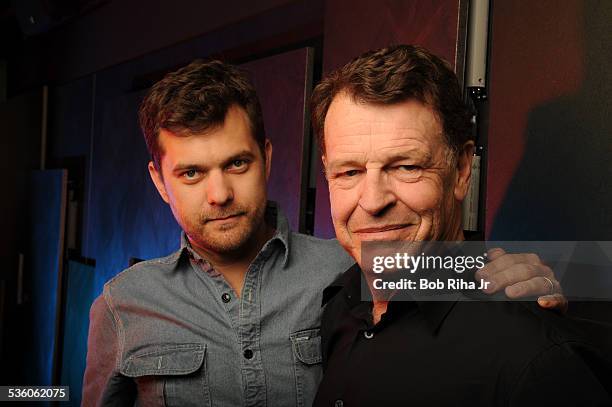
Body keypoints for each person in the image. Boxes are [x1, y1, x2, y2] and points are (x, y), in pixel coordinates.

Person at [82, 58, 567, 406]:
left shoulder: (350, 268)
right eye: (191, 174)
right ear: (158, 182)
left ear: (268, 159)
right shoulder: (121, 305)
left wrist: (526, 274)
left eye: (237, 163)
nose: (219, 194)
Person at [310, 44, 612, 406]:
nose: (373, 201)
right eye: (349, 171)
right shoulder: (338, 311)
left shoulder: (535, 359)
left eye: (406, 167)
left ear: (462, 170)